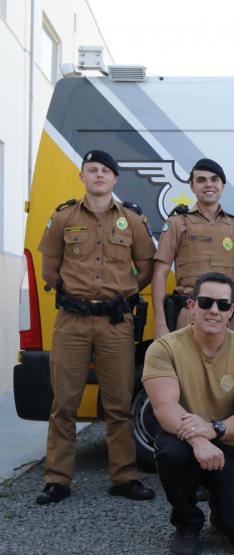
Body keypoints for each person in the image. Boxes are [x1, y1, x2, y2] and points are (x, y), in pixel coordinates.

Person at [36, 150, 156, 505]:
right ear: (82, 176)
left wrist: (121, 294)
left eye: (105, 170)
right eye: (93, 170)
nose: (99, 175)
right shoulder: (63, 217)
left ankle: (124, 477)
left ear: (115, 179)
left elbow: (145, 267)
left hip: (116, 323)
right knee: (64, 403)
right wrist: (77, 296)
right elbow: (49, 270)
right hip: (72, 321)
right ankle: (57, 479)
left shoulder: (132, 221)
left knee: (118, 404)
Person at [143, 272, 234, 555]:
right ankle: (187, 524)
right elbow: (164, 407)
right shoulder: (163, 349)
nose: (214, 310)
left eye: (223, 305)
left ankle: (221, 508)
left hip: (232, 445)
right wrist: (199, 440)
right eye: (206, 302)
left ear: (231, 312)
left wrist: (213, 431)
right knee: (170, 452)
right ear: (191, 306)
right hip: (186, 441)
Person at [152, 158, 234, 337]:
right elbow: (160, 273)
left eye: (214, 179)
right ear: (191, 186)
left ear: (223, 185)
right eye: (201, 180)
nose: (208, 184)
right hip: (190, 314)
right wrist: (159, 323)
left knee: (228, 366)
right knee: (185, 365)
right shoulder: (177, 223)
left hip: (228, 317)